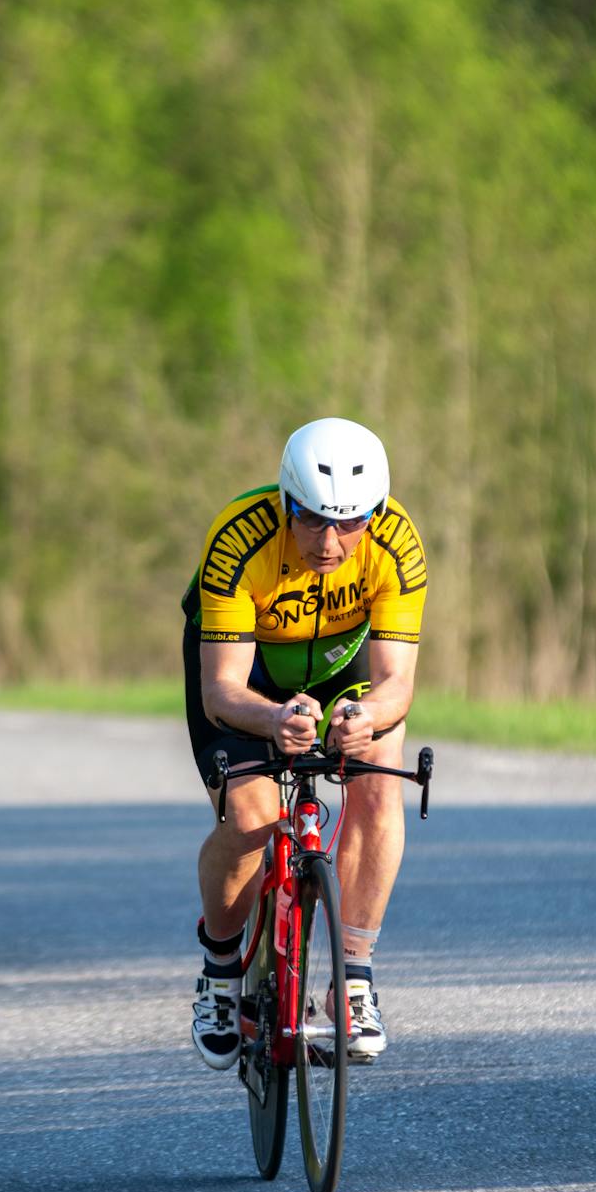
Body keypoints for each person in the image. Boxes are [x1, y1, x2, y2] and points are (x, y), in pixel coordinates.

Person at [180, 417, 427, 1069]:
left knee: (378, 781)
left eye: (350, 522)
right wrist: (274, 721)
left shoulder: (397, 545)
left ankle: (352, 981)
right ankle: (222, 972)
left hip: (341, 669)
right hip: (249, 673)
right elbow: (222, 690)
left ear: (374, 513)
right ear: (286, 502)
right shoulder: (240, 539)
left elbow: (396, 683)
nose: (330, 539)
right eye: (313, 518)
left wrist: (366, 716)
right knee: (254, 816)